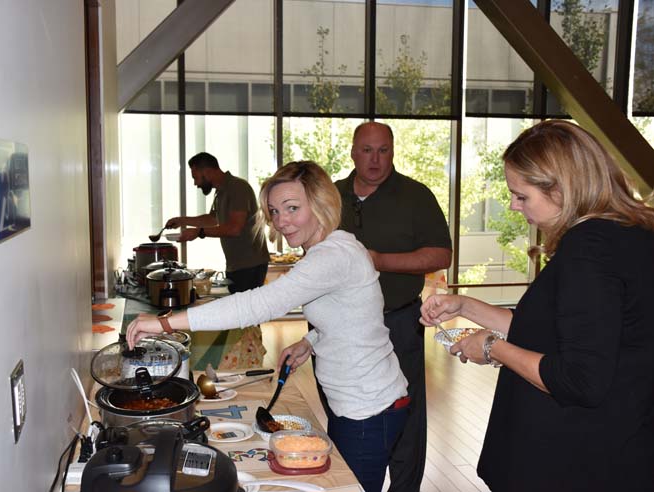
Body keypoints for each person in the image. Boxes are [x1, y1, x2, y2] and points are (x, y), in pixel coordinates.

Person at [127, 161, 409, 492]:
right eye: (274, 211)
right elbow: (355, 313)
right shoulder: (336, 245)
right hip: (365, 402)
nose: (281, 221)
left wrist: (165, 323)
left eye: (292, 208)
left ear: (321, 204)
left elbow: (259, 304)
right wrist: (310, 341)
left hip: (368, 409)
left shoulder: (331, 256)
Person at [419, 120, 654, 491]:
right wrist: (465, 305)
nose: (513, 206)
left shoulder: (587, 251)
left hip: (573, 460)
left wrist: (491, 347)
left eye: (521, 195)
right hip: (618, 449)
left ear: (561, 188)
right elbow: (556, 331)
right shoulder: (628, 233)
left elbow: (579, 380)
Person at [334, 121, 452, 492]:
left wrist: (380, 259)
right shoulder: (330, 196)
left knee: (405, 411)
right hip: (338, 328)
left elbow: (441, 255)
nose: (375, 159)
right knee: (343, 410)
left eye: (383, 150)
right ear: (353, 152)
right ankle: (350, 482)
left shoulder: (416, 196)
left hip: (398, 322)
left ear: (393, 152)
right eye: (367, 150)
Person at [165, 151, 269, 294]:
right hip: (236, 265)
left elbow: (234, 228)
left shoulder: (238, 187)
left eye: (195, 177)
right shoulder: (221, 191)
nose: (195, 183)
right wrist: (182, 220)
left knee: (246, 312)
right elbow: (212, 219)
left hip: (250, 265)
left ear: (207, 172)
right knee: (238, 311)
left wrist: (199, 232)